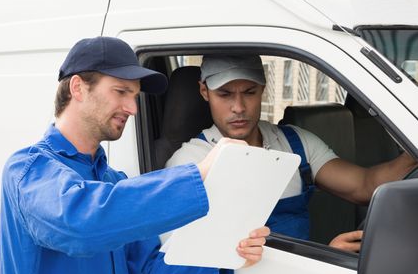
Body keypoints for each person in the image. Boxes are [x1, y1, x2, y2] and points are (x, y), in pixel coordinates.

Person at [0, 37, 270, 274]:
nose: (132, 108)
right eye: (121, 92)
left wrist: (229, 260)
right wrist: (199, 174)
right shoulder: (29, 169)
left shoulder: (114, 182)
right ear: (78, 88)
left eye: (135, 96)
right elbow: (82, 223)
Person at [166, 54, 417, 253]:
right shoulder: (189, 163)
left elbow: (364, 185)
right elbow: (185, 260)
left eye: (249, 92)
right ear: (204, 92)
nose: (239, 107)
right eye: (225, 94)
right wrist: (324, 258)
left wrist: (412, 154)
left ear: (263, 88)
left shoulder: (295, 142)